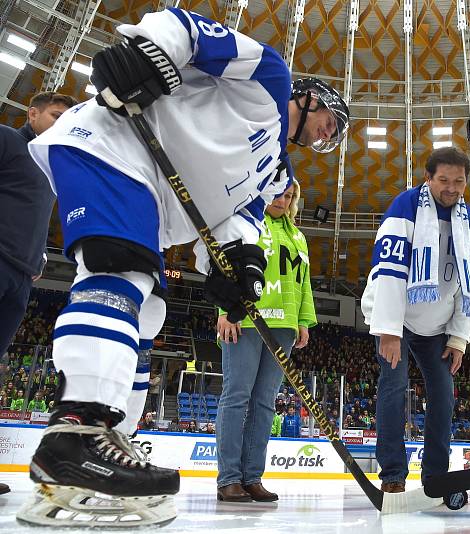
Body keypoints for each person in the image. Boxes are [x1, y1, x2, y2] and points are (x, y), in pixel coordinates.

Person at [20, 8, 348, 527]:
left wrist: (243, 271)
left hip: (149, 195)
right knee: (120, 272)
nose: (329, 133)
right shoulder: (269, 78)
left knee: (147, 308)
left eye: (334, 135)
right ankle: (76, 430)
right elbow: (189, 29)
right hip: (113, 146)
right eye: (331, 119)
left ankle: (110, 438)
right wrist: (149, 53)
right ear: (309, 97)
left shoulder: (275, 171)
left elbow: (235, 224)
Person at [361, 147, 470, 493]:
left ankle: (436, 475)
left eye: (459, 181)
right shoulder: (406, 206)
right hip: (395, 318)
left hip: (436, 325)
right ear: (428, 178)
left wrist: (458, 338)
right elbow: (389, 271)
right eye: (443, 180)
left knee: (443, 393)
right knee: (394, 386)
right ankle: (393, 475)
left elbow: (468, 286)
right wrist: (388, 331)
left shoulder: (469, 221)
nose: (451, 188)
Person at [214, 179, 316, 502]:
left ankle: (252, 477)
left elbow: (304, 282)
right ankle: (229, 478)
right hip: (245, 320)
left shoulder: (298, 237)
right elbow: (225, 267)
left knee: (265, 403)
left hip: (283, 328)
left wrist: (302, 320)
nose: (283, 200)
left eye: (289, 196)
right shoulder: (248, 224)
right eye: (279, 194)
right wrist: (223, 309)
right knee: (236, 396)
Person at [0, 92, 76, 498]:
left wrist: (38, 255)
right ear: (32, 113)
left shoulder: (50, 164)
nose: (61, 121)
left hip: (21, 274)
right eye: (54, 115)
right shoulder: (8, 141)